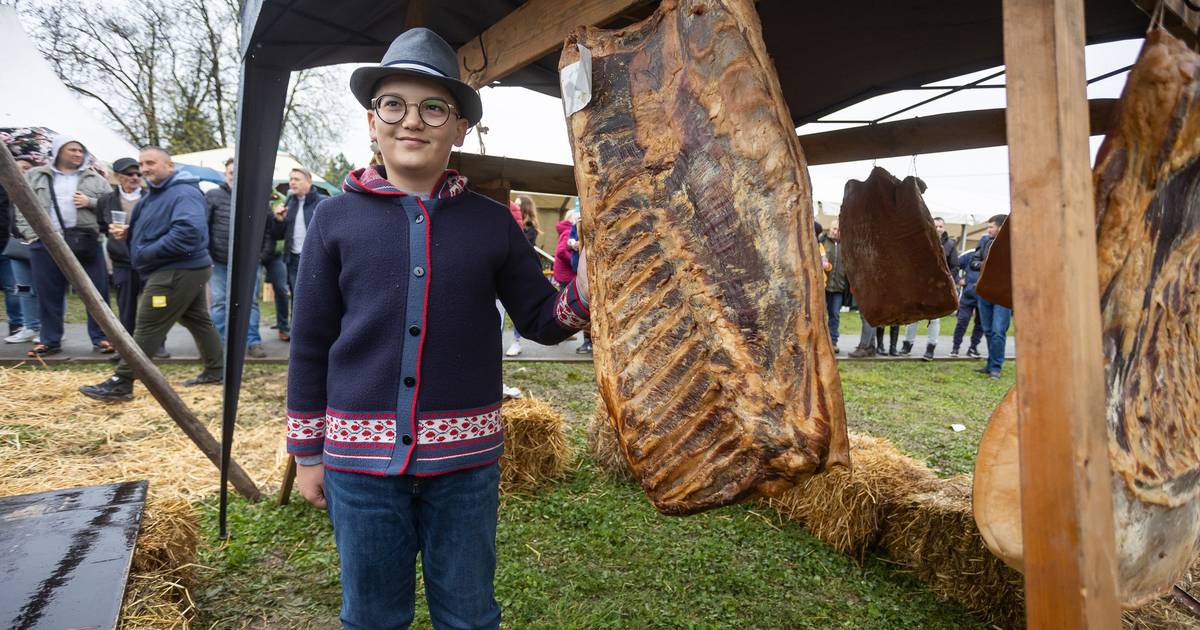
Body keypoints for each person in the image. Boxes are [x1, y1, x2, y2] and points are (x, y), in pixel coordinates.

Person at [286, 28, 591, 629]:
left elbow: (541, 320)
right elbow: (311, 343)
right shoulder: (334, 219)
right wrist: (307, 452)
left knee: (469, 615)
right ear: (373, 122)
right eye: (393, 105)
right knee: (372, 617)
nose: (412, 121)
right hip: (359, 467)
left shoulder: (490, 223)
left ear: (459, 128)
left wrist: (586, 291)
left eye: (433, 108)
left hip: (465, 467)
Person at [79, 146, 225, 401]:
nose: (144, 169)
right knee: (197, 320)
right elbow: (159, 227)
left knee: (147, 324)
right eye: (141, 164)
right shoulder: (158, 193)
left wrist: (145, 251)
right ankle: (216, 370)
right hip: (180, 268)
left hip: (175, 271)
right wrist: (130, 234)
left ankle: (122, 381)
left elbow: (188, 233)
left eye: (151, 163)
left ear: (170, 166)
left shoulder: (183, 193)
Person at [15, 135, 112, 357]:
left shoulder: (95, 179)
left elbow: (110, 206)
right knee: (48, 292)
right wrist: (31, 234)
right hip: (46, 242)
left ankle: (102, 338)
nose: (78, 154)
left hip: (86, 242)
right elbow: (21, 205)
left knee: (96, 291)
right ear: (58, 151)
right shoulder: (35, 175)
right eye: (73, 150)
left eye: (81, 150)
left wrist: (90, 202)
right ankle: (49, 340)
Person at [206, 158, 268, 358]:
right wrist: (207, 253)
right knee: (219, 302)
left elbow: (266, 230)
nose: (234, 176)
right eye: (231, 172)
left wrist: (262, 253)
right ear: (226, 175)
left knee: (250, 303)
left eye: (238, 172)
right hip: (220, 260)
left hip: (249, 262)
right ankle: (220, 345)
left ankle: (253, 342)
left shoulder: (258, 197)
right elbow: (204, 226)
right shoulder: (213, 196)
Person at [271, 166, 329, 339]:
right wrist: (278, 220)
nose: (292, 182)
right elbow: (277, 235)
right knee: (297, 295)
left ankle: (316, 332)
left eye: (297, 179)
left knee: (317, 296)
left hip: (317, 258)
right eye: (291, 179)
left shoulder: (323, 202)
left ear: (308, 181)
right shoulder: (289, 202)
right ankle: (300, 333)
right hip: (294, 258)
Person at [901, 217, 960, 360]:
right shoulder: (921, 241)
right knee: (914, 316)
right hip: (920, 285)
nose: (938, 228)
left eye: (940, 226)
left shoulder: (950, 245)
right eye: (935, 226)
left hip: (939, 287)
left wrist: (945, 281)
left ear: (944, 228)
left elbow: (955, 266)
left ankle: (930, 348)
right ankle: (907, 344)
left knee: (934, 318)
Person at [3, 155, 40, 344]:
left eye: (26, 168)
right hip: (16, 245)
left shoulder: (40, 189)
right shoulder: (7, 191)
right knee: (22, 288)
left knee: (46, 287)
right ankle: (28, 325)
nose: (22, 171)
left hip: (39, 244)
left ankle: (49, 327)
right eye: (17, 168)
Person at [974, 214, 1012, 379]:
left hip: (1003, 293)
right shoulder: (985, 242)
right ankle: (990, 365)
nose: (988, 230)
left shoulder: (1013, 246)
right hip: (985, 292)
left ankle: (996, 367)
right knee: (988, 330)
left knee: (998, 331)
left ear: (1001, 228)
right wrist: (984, 265)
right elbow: (973, 261)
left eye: (991, 227)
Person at [504, 194, 542, 357]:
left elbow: (523, 246)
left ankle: (516, 341)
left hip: (521, 272)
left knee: (518, 310)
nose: (515, 206)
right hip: (508, 269)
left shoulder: (530, 228)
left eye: (518, 205)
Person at [951, 234, 988, 358]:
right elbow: (954, 265)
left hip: (984, 297)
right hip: (968, 296)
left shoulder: (993, 255)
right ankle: (955, 348)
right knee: (962, 321)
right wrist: (958, 279)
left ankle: (973, 348)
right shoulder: (970, 254)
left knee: (981, 324)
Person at [819, 219, 846, 353]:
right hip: (823, 287)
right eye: (835, 229)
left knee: (835, 315)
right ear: (830, 229)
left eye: (839, 230)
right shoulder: (822, 242)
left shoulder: (845, 245)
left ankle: (833, 342)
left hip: (838, 288)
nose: (836, 232)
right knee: (821, 315)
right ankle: (821, 342)